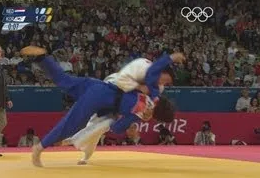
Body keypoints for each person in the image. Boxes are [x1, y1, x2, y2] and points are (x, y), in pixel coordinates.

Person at [20, 46, 182, 167]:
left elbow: (152, 78)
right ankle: (39, 148)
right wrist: (131, 127)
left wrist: (170, 58)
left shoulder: (153, 91)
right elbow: (117, 128)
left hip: (99, 85)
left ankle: (42, 58)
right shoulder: (142, 109)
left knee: (64, 80)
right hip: (100, 98)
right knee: (72, 124)